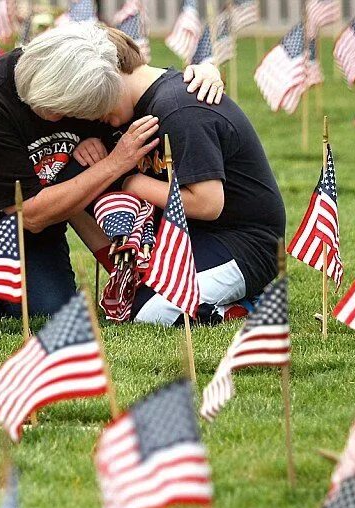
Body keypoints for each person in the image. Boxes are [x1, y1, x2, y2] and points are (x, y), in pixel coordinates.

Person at [0, 23, 225, 327]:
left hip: (19, 225)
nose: (66, 116)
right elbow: (32, 215)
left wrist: (196, 76)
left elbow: (141, 75)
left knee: (51, 311)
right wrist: (113, 165)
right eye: (54, 110)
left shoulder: (84, 67)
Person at [75, 29, 286, 326]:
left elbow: (208, 203)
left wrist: (129, 181)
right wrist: (86, 140)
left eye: (92, 99)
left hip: (242, 244)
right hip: (193, 238)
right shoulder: (130, 106)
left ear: (111, 73)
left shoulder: (179, 107)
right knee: (129, 301)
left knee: (149, 311)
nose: (90, 114)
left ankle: (245, 304)